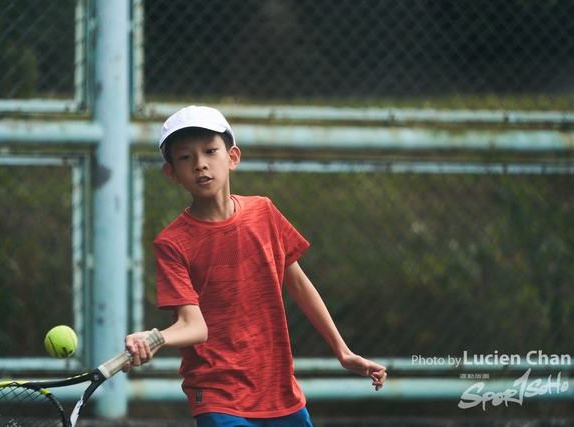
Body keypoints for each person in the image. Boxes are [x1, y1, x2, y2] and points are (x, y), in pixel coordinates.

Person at [123, 106, 387, 426]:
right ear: (172, 173)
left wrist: (342, 351)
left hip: (279, 390)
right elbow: (194, 326)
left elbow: (299, 284)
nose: (200, 164)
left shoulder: (263, 212)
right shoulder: (172, 243)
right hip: (216, 394)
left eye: (210, 151)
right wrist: (154, 338)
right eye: (185, 157)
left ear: (232, 157)